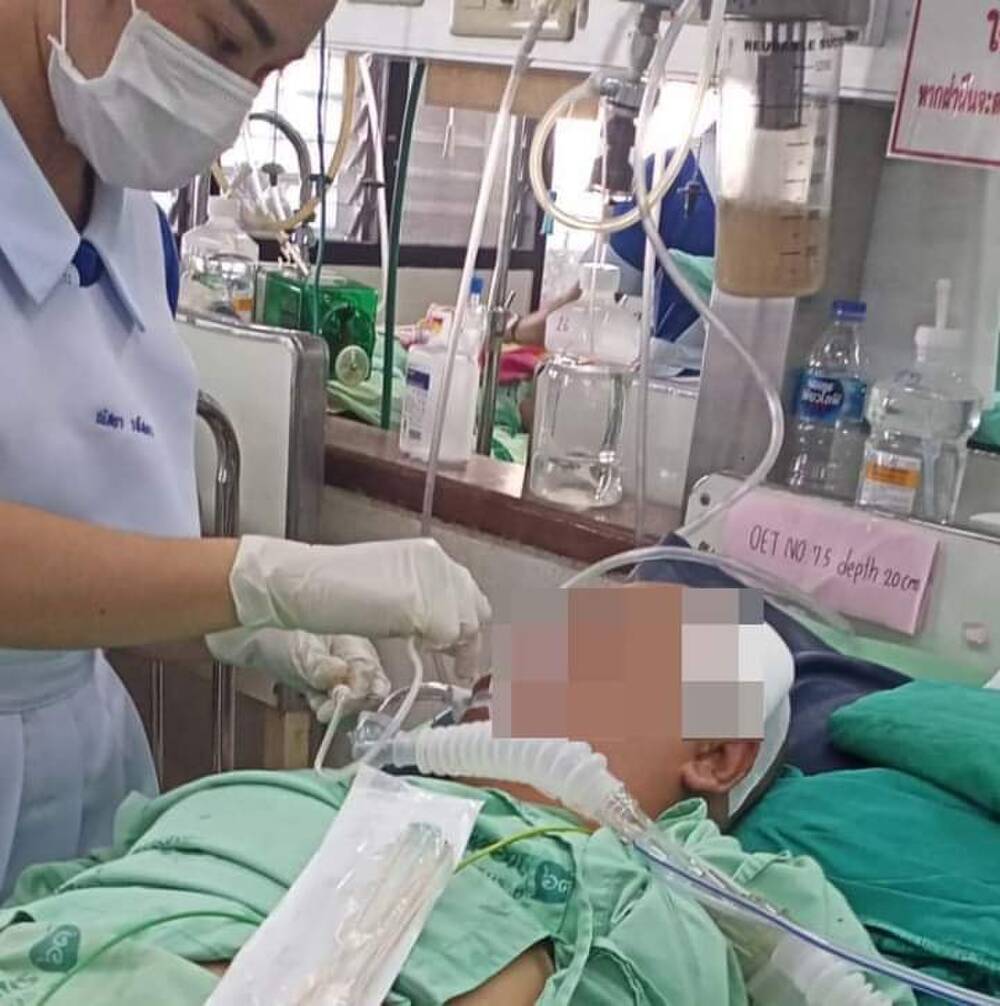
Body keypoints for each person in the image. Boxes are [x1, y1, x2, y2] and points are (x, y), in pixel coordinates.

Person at [0, 0, 489, 899]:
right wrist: (253, 578)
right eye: (226, 39)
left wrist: (259, 627)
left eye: (266, 73)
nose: (226, 105)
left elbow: (102, 569)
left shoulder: (132, 233)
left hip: (83, 784)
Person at [0, 622, 915, 1006]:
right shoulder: (337, 791)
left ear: (715, 755)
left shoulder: (733, 895)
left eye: (605, 661)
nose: (530, 666)